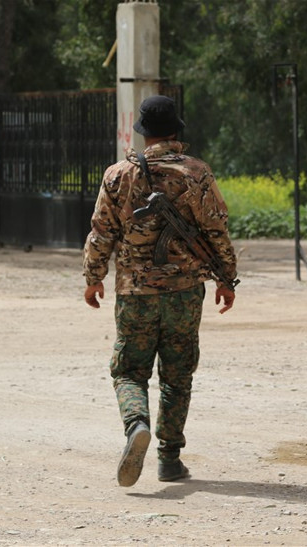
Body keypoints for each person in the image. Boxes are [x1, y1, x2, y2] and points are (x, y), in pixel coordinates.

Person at [83, 95, 238, 487]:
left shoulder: (118, 174)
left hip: (135, 292)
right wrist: (225, 277)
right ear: (176, 129)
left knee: (129, 371)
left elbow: (102, 231)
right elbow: (217, 229)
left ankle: (137, 424)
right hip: (185, 292)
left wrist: (93, 276)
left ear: (143, 133)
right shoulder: (197, 173)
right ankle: (169, 458)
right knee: (177, 374)